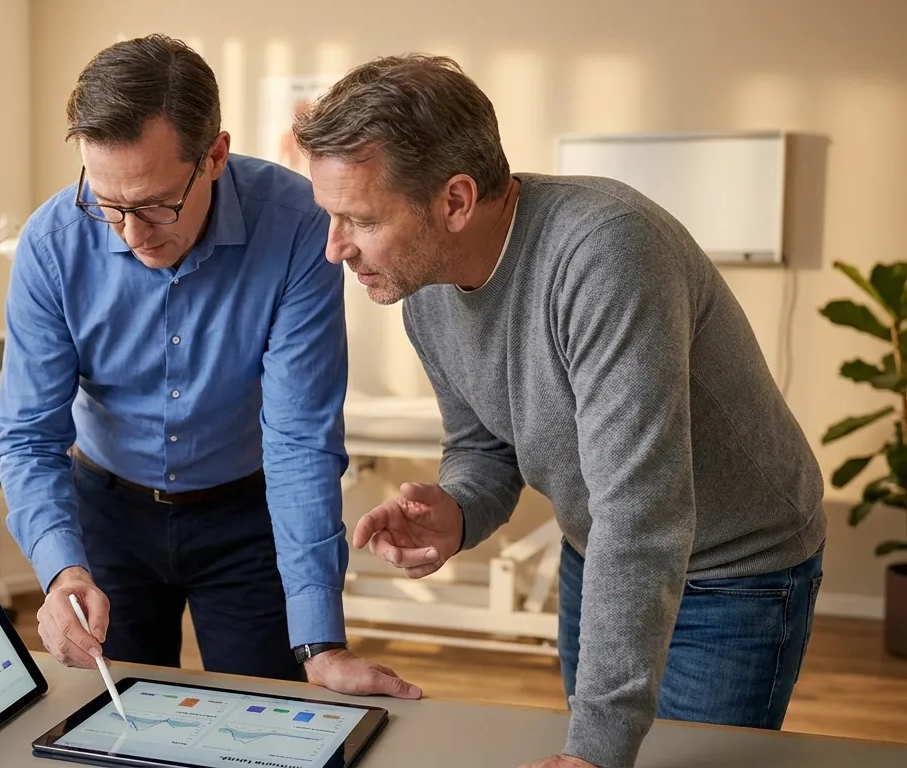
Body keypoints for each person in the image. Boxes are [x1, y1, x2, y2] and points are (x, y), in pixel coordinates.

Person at [292, 54, 826, 768]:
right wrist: (458, 508)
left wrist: (595, 752)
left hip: (733, 570)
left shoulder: (607, 251)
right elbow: (486, 444)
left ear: (453, 201)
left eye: (357, 218)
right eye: (330, 216)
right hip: (600, 553)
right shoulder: (420, 283)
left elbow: (644, 514)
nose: (335, 249)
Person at [0, 34, 419, 699]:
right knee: (116, 724)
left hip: (243, 520)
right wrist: (58, 570)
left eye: (157, 204)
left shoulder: (299, 229)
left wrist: (320, 641)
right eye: (108, 205)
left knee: (267, 721)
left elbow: (300, 438)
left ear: (214, 155)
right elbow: (28, 433)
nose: (132, 236)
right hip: (107, 518)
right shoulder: (53, 243)